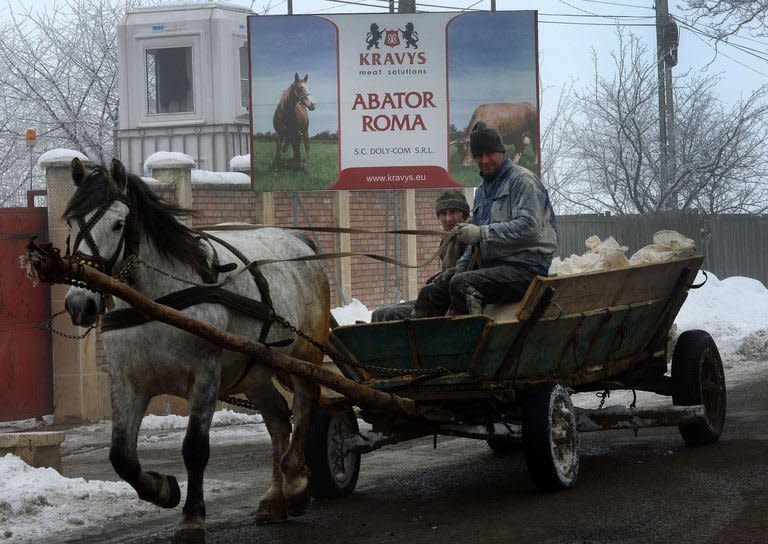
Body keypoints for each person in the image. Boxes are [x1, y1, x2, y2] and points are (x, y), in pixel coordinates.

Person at [411, 122, 557, 317]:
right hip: (493, 270)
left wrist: (482, 232)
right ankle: (422, 343)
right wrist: (458, 268)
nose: (484, 160)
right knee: (432, 291)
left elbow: (530, 227)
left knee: (463, 284)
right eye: (479, 156)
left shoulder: (522, 181)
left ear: (502, 152)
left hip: (526, 269)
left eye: (490, 154)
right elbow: (475, 243)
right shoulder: (482, 191)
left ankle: (468, 343)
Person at [371, 189, 470, 322]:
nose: (448, 218)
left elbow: (466, 271)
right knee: (378, 313)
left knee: (392, 315)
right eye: (443, 214)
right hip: (441, 297)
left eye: (453, 212)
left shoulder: (468, 236)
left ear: (463, 214)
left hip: (452, 302)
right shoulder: (447, 239)